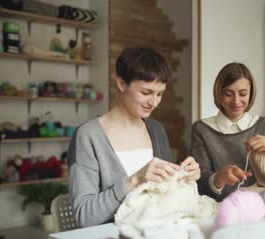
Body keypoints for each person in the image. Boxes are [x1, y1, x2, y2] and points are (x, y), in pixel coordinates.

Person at [68, 47, 201, 227]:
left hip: (157, 235)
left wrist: (183, 176)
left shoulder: (157, 130)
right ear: (122, 84)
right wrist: (135, 180)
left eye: (159, 94)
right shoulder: (88, 136)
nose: (153, 102)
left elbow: (163, 197)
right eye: (146, 93)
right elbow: (84, 217)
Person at [190, 62, 265, 201]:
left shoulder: (264, 125)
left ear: (251, 93)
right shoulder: (202, 129)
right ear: (219, 93)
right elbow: (198, 186)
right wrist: (220, 177)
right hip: (222, 210)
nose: (236, 100)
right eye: (229, 94)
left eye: (243, 93)